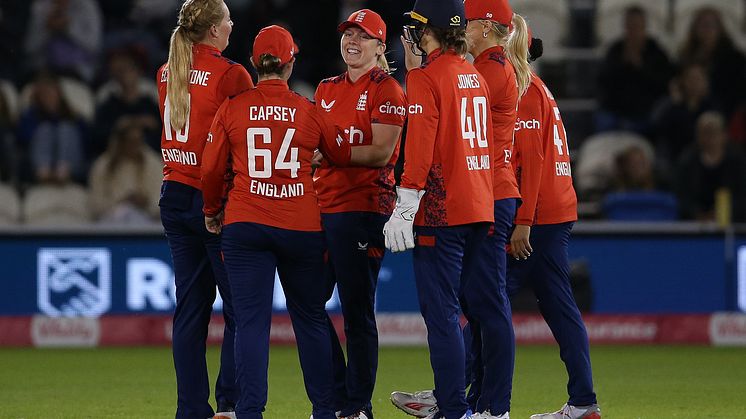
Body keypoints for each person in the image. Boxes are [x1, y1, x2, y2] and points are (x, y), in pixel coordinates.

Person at [390, 14, 602, 419]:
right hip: (528, 207)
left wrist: (524, 220)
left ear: (490, 32)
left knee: (487, 304)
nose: (464, 30)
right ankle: (572, 399)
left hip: (524, 209)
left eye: (470, 24)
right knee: (529, 304)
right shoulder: (520, 83)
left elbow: (532, 158)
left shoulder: (514, 85)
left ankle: (469, 399)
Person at [201, 24, 389, 419]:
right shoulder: (309, 109)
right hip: (301, 226)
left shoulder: (233, 107)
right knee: (309, 319)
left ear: (253, 63)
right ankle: (326, 410)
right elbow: (339, 150)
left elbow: (211, 170)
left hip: (246, 223)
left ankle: (249, 411)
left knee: (250, 323)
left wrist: (211, 210)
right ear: (290, 64)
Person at [384, 0, 495, 417]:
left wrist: (406, 203)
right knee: (468, 311)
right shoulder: (473, 75)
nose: (411, 34)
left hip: (442, 210)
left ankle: (452, 408)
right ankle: (473, 402)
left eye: (416, 27)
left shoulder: (425, 78)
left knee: (442, 315)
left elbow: (421, 146)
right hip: (479, 206)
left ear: (428, 30)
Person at [156, 1, 253, 418]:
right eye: (228, 19)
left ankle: (190, 410)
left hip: (173, 193)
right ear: (214, 29)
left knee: (191, 310)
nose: (233, 24)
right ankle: (230, 405)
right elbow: (252, 133)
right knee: (239, 307)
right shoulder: (232, 74)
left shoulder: (167, 70)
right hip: (213, 198)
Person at [312, 8, 406, 419]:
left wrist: (330, 154)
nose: (352, 41)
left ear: (380, 47)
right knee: (308, 303)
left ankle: (357, 406)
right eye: (348, 33)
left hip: (364, 210)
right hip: (321, 208)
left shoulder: (388, 90)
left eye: (362, 36)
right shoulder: (326, 88)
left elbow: (381, 152)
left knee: (356, 310)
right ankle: (335, 399)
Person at [596, 5, 673, 134]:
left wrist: (641, 67)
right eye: (630, 26)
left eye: (637, 26)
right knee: (603, 120)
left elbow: (664, 83)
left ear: (644, 27)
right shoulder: (615, 50)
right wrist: (622, 65)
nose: (633, 31)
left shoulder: (656, 52)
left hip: (647, 110)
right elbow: (603, 81)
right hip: (616, 109)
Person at [675, 111, 746, 223]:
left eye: (713, 132)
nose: (708, 138)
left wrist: (725, 213)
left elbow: (742, 196)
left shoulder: (738, 161)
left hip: (732, 224)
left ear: (724, 135)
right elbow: (682, 196)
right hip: (694, 224)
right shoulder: (687, 161)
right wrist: (697, 214)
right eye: (704, 133)